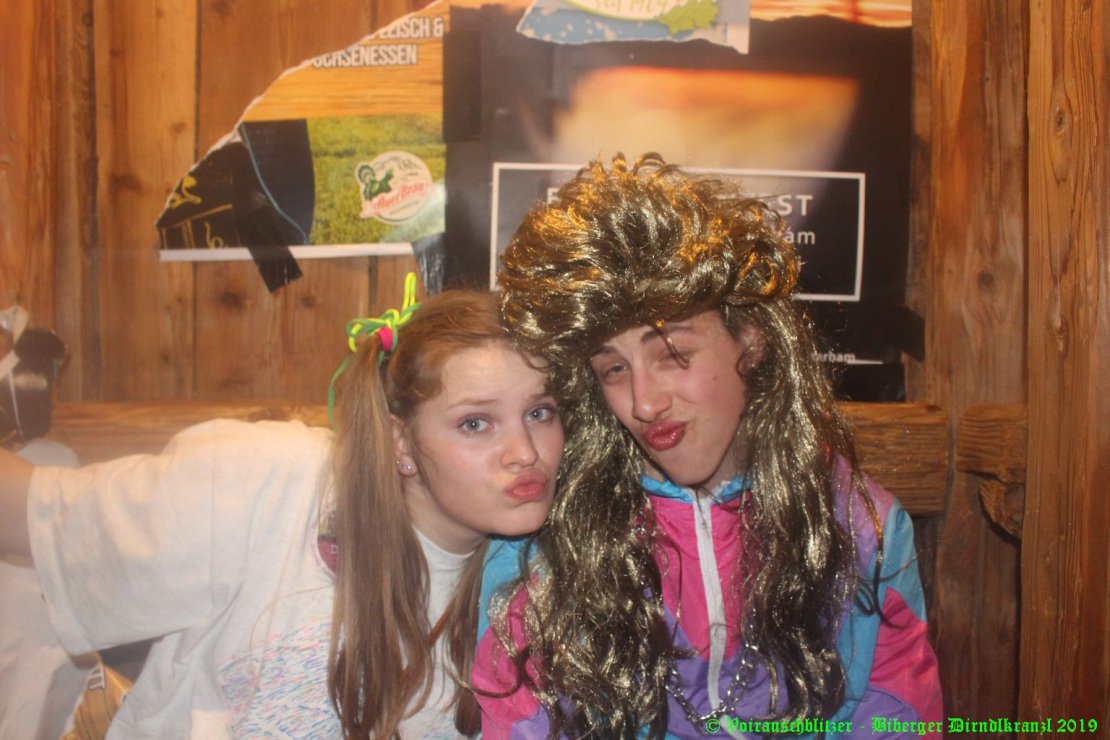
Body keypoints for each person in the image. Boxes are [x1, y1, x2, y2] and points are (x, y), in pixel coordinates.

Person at [473, 154, 942, 738]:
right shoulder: (548, 539)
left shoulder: (859, 526)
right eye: (614, 369)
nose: (644, 403)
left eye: (673, 354)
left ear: (751, 338)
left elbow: (898, 713)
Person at [0, 281, 564, 738]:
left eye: (540, 412)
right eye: (475, 423)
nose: (525, 452)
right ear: (401, 442)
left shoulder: (544, 579)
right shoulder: (269, 481)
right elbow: (30, 515)